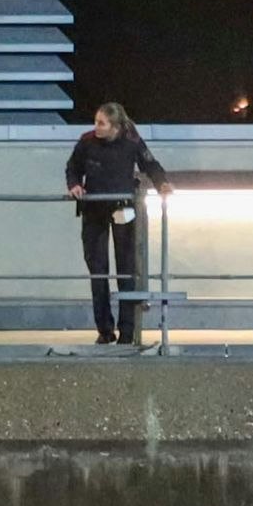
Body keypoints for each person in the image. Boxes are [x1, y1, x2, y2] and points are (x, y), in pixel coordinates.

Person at [65, 101, 171, 345]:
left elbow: (150, 164)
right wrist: (74, 185)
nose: (96, 127)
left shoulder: (131, 140)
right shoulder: (87, 141)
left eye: (101, 123)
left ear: (115, 127)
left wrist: (162, 183)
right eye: (96, 122)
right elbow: (72, 167)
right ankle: (104, 329)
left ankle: (127, 331)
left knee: (126, 271)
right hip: (94, 211)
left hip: (123, 209)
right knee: (98, 271)